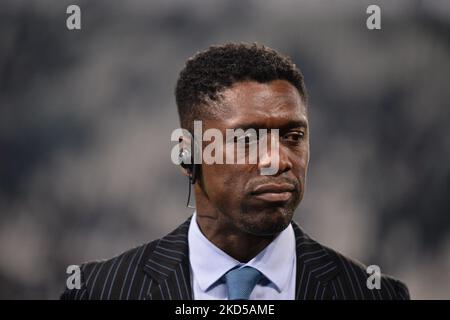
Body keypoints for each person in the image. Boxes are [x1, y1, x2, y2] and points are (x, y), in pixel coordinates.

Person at [61, 42, 409, 300]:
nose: (279, 160)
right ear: (187, 154)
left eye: (294, 136)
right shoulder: (100, 291)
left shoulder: (375, 294)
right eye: (247, 139)